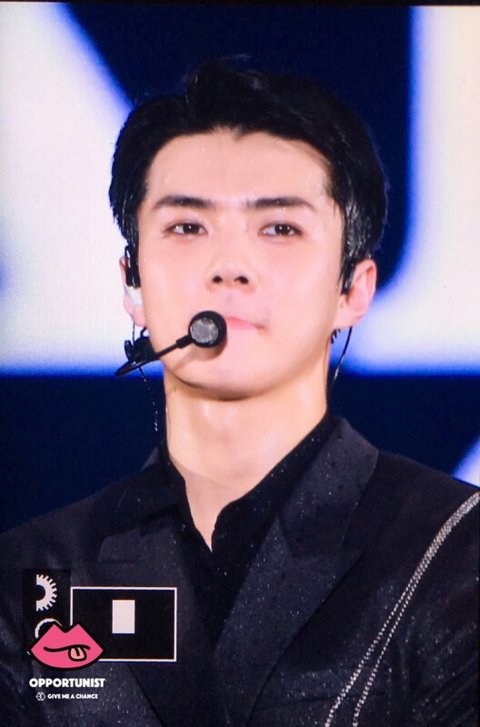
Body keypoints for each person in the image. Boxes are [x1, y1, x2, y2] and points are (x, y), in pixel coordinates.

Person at [0, 61, 478, 726]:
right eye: (187, 227)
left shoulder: (454, 552)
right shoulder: (37, 570)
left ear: (354, 288)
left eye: (279, 228)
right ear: (132, 282)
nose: (229, 266)